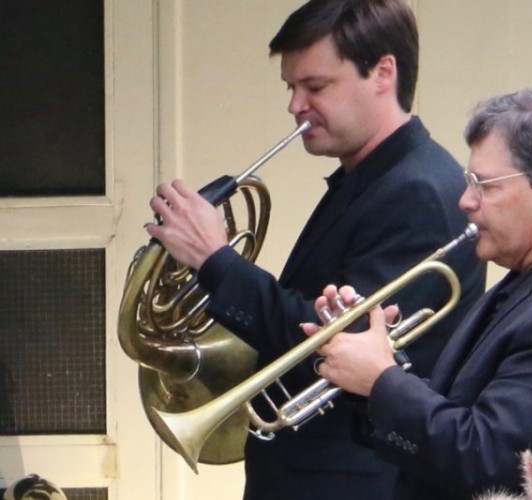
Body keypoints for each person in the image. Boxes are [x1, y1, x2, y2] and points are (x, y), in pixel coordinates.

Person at [145, 0, 486, 499]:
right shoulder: (372, 179)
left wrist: (215, 261)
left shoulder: (418, 192)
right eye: (291, 87)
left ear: (383, 73)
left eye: (315, 86)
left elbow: (333, 345)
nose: (295, 106)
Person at [305, 87, 532, 499]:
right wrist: (374, 361)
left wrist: (383, 381)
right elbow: (474, 413)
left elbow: (492, 461)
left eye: (485, 185)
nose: (465, 201)